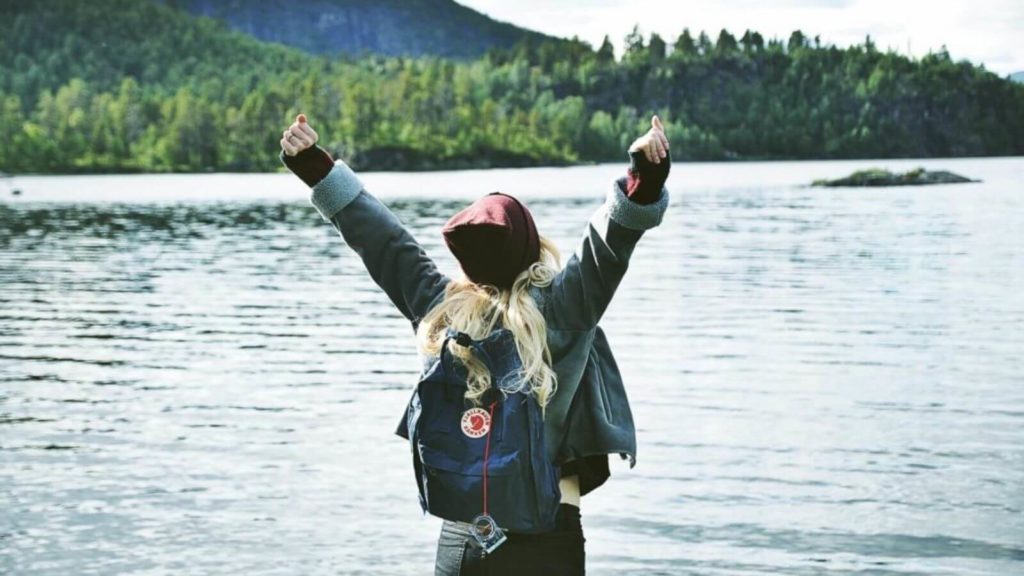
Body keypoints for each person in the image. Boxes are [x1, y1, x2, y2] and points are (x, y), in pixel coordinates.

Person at [280, 113, 671, 575]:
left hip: (462, 540)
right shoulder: (566, 307)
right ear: (531, 243)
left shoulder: (441, 308)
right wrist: (645, 176)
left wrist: (315, 167)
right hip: (548, 540)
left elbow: (381, 239)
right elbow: (610, 240)